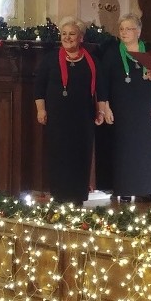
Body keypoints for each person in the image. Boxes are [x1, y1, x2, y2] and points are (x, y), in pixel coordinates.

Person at [34, 16, 105, 205]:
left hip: (83, 118)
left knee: (80, 156)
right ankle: (59, 196)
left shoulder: (92, 61)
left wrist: (102, 112)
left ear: (80, 37)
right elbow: (39, 87)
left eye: (72, 34)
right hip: (57, 118)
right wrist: (41, 110)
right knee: (60, 155)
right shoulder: (50, 60)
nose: (67, 37)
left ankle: (78, 197)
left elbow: (101, 88)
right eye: (64, 34)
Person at [98, 13, 151, 202]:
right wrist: (106, 106)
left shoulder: (150, 51)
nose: (124, 32)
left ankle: (148, 187)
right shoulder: (111, 53)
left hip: (146, 107)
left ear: (139, 31)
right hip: (121, 107)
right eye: (122, 29)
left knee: (146, 148)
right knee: (124, 147)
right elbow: (103, 81)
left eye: (129, 29)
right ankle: (124, 188)